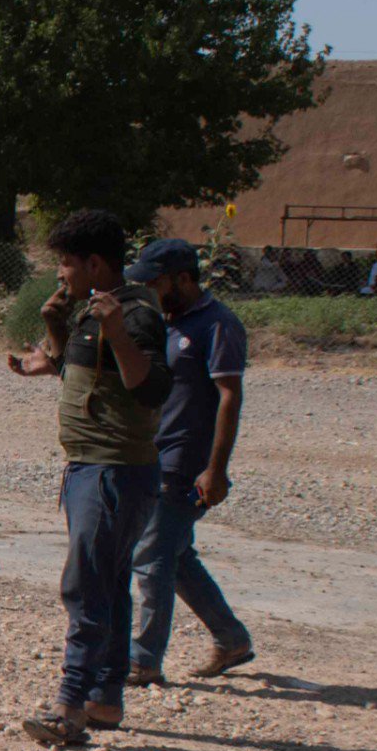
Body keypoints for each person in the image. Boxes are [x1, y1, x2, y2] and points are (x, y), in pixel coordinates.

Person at [3, 208, 166, 747]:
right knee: (111, 583)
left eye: (67, 264)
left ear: (95, 264)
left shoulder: (134, 313)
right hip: (92, 467)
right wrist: (51, 339)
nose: (60, 274)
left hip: (114, 470)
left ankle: (69, 708)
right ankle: (105, 698)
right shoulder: (91, 312)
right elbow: (84, 376)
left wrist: (116, 329)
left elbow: (147, 385)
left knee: (86, 586)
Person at [129, 237, 255, 687]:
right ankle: (231, 638)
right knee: (175, 556)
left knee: (152, 555)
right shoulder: (163, 321)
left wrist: (216, 469)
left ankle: (142, 661)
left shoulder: (217, 325)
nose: (147, 289)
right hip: (151, 455)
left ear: (182, 279)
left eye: (154, 281)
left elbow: (229, 397)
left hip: (186, 463)